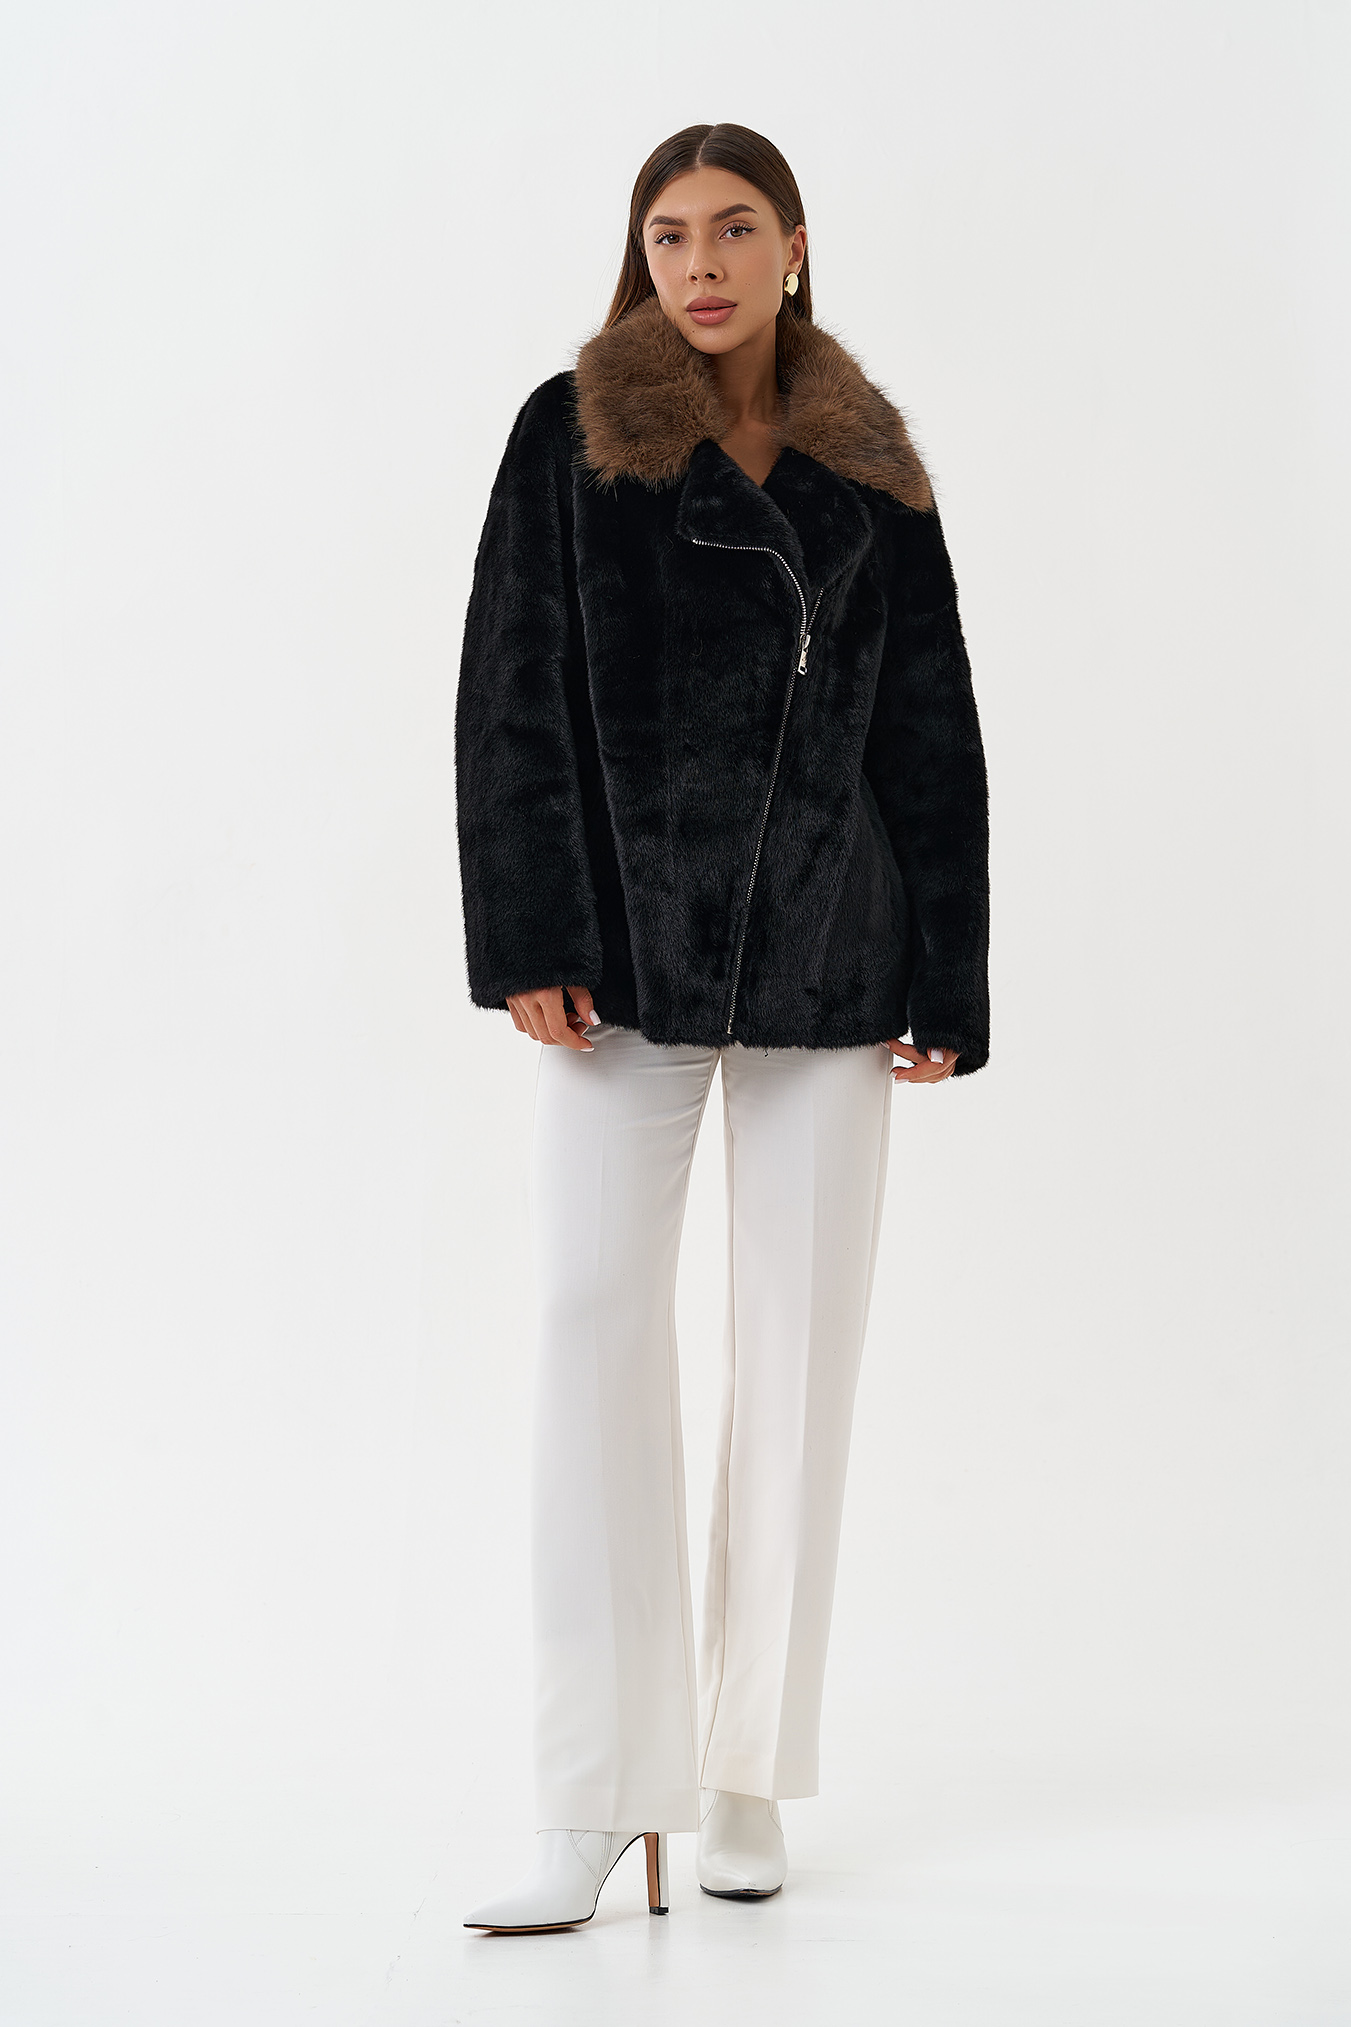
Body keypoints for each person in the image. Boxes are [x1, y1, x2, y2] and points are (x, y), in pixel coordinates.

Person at [456, 122, 989, 1933]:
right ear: (643, 254)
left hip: (838, 971)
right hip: (621, 975)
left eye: (735, 228)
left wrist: (950, 974)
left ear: (794, 248)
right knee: (588, 1330)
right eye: (670, 232)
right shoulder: (572, 434)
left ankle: (747, 1767)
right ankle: (598, 1794)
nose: (701, 262)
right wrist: (530, 935)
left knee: (798, 1363)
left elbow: (932, 721)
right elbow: (509, 697)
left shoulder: (871, 462)